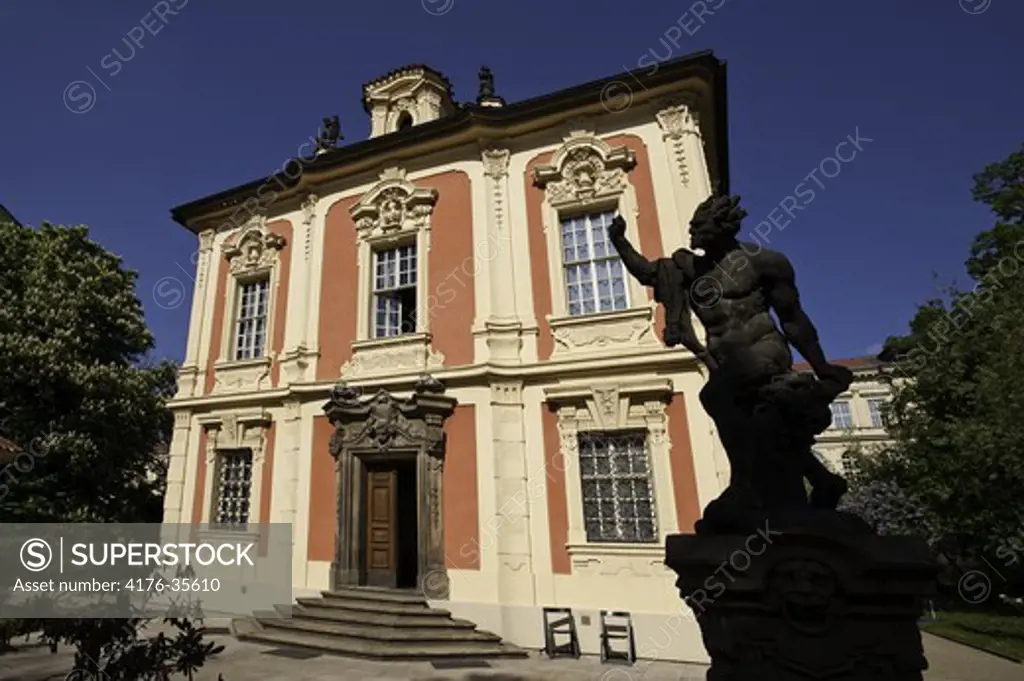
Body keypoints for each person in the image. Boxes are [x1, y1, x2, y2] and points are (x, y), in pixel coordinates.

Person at [607, 194, 852, 511]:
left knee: (716, 398)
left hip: (763, 349)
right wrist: (620, 242)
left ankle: (743, 485)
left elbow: (793, 319)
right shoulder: (691, 268)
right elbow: (647, 273)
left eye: (699, 225)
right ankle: (821, 480)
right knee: (763, 428)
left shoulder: (764, 261)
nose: (692, 231)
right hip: (725, 360)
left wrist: (820, 364)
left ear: (721, 226)